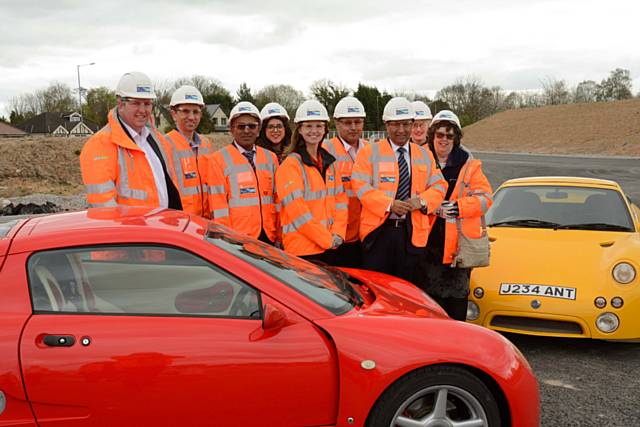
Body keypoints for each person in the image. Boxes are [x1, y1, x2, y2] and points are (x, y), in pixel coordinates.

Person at [351, 97, 447, 282]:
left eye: (406, 124)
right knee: (377, 286)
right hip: (379, 233)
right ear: (387, 125)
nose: (401, 130)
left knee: (408, 289)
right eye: (395, 124)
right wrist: (389, 204)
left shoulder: (424, 154)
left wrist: (422, 201)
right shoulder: (370, 153)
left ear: (412, 124)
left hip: (412, 234)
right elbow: (360, 185)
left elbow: (440, 185)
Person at [415, 110, 493, 320]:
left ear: (456, 138)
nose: (444, 140)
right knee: (426, 306)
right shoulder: (417, 158)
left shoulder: (469, 165)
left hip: (457, 249)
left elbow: (486, 198)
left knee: (456, 306)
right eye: (439, 134)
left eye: (449, 135)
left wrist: (459, 207)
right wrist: (431, 205)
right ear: (432, 136)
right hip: (424, 244)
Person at [80, 71, 183, 210]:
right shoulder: (100, 145)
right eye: (136, 103)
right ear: (120, 103)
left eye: (147, 104)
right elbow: (104, 207)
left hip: (161, 227)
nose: (142, 110)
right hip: (130, 231)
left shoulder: (157, 140)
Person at [275, 99, 347, 263]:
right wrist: (327, 240)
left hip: (331, 246)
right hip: (303, 250)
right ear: (299, 129)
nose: (314, 131)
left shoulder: (330, 163)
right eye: (308, 126)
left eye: (319, 126)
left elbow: (341, 201)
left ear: (325, 130)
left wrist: (338, 233)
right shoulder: (291, 165)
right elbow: (298, 213)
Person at [207, 102, 278, 244]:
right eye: (241, 126)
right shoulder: (218, 159)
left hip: (269, 235)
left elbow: (277, 199)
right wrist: (225, 239)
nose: (246, 130)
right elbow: (218, 205)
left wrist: (279, 235)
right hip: (237, 239)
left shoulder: (271, 158)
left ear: (258, 130)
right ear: (232, 129)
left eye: (251, 126)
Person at [322, 96, 368, 268]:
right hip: (337, 234)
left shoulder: (370, 150)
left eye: (358, 122)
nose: (354, 127)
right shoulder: (326, 150)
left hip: (364, 232)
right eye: (348, 122)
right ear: (337, 123)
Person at [163, 85, 214, 217]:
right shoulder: (164, 144)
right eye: (185, 111)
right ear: (174, 114)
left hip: (206, 221)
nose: (191, 117)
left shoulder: (206, 144)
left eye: (196, 112)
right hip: (181, 222)